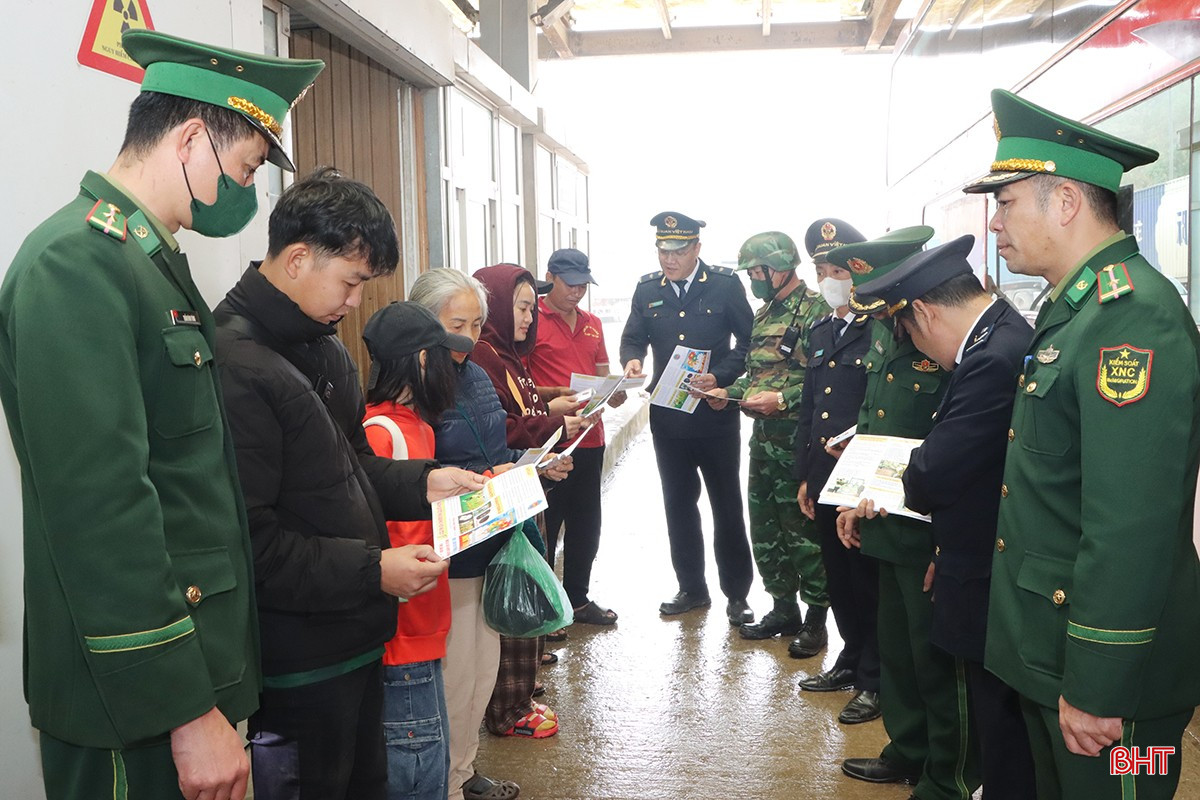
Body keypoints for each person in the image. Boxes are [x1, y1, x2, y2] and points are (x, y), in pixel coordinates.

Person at [0, 29, 322, 800]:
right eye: (244, 167)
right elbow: (101, 510)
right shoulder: (77, 266)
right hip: (136, 702)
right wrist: (184, 711)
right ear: (189, 138)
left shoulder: (146, 261)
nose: (243, 192)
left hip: (190, 678)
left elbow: (186, 482)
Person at [214, 168, 485, 799]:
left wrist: (427, 482)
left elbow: (354, 468)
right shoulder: (236, 363)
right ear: (299, 258)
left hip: (358, 639)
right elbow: (250, 544)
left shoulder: (324, 348)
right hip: (296, 659)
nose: (356, 302)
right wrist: (375, 571)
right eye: (352, 281)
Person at [961, 88, 1200, 800]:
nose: (994, 226)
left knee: (1124, 790)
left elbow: (1130, 526)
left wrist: (1098, 685)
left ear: (1063, 201)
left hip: (1109, 692)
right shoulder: (1079, 308)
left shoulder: (1131, 319)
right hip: (1053, 655)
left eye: (1005, 203)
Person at [851, 235, 1037, 797]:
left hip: (984, 564)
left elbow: (937, 469)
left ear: (925, 312)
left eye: (908, 329)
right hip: (966, 547)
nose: (913, 345)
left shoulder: (991, 356)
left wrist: (896, 477)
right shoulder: (996, 338)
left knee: (991, 714)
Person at [830, 228, 981, 800]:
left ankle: (947, 770)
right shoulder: (887, 332)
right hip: (884, 516)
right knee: (897, 649)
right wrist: (855, 492)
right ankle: (908, 748)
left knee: (935, 660)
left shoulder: (947, 341)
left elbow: (950, 440)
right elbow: (879, 420)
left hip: (929, 523)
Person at [411, 269, 560, 800]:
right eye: (457, 324)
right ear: (423, 323)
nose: (469, 336)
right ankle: (443, 782)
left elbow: (491, 448)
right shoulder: (412, 384)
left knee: (480, 673)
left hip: (493, 536)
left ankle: (464, 769)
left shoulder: (475, 374)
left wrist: (531, 464)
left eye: (476, 323)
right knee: (450, 678)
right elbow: (413, 472)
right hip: (447, 551)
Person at [362, 301, 479, 800]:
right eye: (444, 355)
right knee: (414, 771)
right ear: (423, 361)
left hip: (428, 626)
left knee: (430, 760)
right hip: (402, 634)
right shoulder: (380, 432)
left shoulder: (419, 426)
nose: (455, 369)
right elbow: (381, 537)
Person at [620, 211, 756, 624]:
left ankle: (737, 594)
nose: (669, 259)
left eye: (678, 250)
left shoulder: (724, 284)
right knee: (678, 505)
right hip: (669, 419)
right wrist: (632, 361)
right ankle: (691, 588)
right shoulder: (647, 290)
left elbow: (749, 342)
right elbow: (633, 336)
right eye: (663, 250)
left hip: (714, 417)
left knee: (726, 506)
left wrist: (722, 376)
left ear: (697, 249)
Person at [703, 232, 830, 652]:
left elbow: (822, 382)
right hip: (762, 439)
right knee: (766, 527)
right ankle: (783, 608)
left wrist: (783, 400)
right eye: (751, 272)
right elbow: (759, 377)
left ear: (781, 267)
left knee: (802, 529)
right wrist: (729, 392)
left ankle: (815, 617)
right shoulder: (765, 313)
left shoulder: (815, 310)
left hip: (797, 440)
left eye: (758, 271)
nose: (754, 279)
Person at [471, 263, 582, 742]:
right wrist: (553, 428)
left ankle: (521, 693)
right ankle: (510, 707)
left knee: (527, 584)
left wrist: (552, 410)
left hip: (522, 484)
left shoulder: (511, 356)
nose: (528, 319)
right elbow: (503, 427)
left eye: (531, 310)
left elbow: (526, 406)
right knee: (512, 592)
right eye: (519, 308)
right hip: (501, 486)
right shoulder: (482, 356)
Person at [792, 218, 882, 726]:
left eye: (833, 269)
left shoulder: (881, 328)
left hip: (865, 479)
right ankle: (849, 658)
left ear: (854, 272)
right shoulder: (821, 329)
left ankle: (874, 678)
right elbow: (811, 409)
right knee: (839, 578)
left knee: (867, 580)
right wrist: (807, 475)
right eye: (820, 269)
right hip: (826, 478)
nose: (826, 279)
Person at [526, 248, 621, 625]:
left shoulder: (593, 323)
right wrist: (557, 397)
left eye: (583, 285)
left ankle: (577, 600)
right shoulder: (531, 319)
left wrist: (617, 391)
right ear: (550, 276)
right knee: (547, 525)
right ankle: (545, 608)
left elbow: (605, 378)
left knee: (586, 524)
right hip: (549, 439)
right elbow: (521, 384)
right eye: (570, 284)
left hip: (590, 438)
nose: (577, 292)